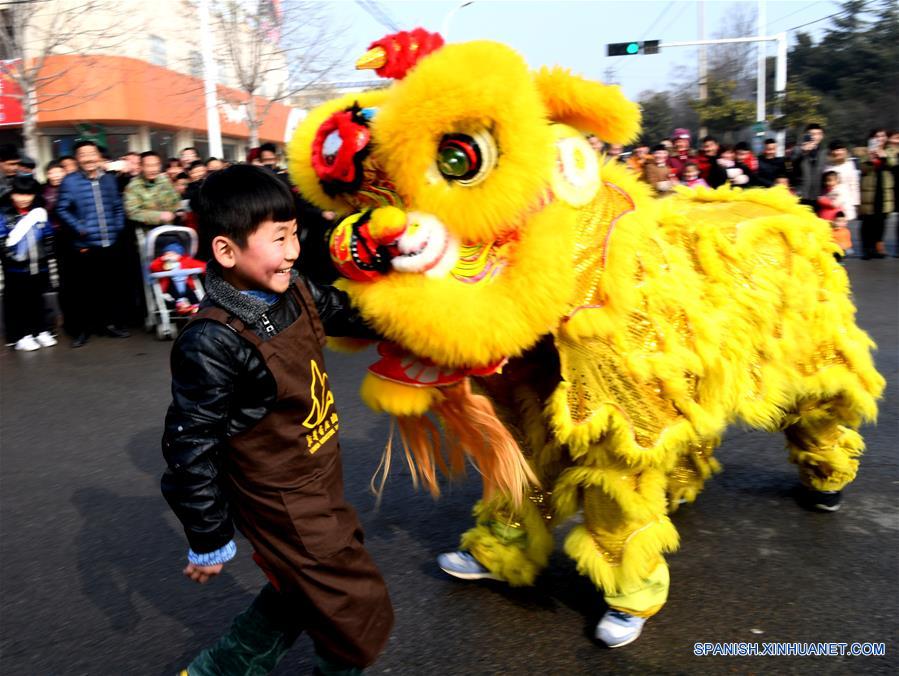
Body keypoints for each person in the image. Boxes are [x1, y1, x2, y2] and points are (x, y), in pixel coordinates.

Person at [161, 165, 393, 675]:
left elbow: (345, 312)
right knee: (352, 606)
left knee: (302, 587)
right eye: (279, 238)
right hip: (279, 497)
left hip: (316, 474)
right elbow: (188, 443)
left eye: (295, 235)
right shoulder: (211, 340)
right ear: (226, 252)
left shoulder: (296, 289)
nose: (293, 250)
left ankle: (216, 671)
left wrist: (419, 320)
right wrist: (208, 535)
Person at [55, 140, 129, 347]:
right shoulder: (69, 181)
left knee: (109, 288)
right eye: (83, 154)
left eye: (92, 153)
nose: (88, 158)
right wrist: (80, 227)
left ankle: (110, 325)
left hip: (110, 242)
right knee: (83, 291)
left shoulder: (109, 180)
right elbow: (61, 209)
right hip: (84, 244)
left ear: (99, 156)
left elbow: (117, 207)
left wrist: (117, 226)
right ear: (78, 159)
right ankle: (82, 330)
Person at [0, 175, 57, 351]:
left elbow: (48, 236)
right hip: (16, 269)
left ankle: (40, 330)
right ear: (11, 194)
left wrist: (47, 255)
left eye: (28, 194)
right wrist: (12, 258)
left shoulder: (40, 213)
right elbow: (1, 240)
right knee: (18, 302)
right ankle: (21, 335)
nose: (23, 198)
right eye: (19, 194)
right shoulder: (4, 215)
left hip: (39, 266)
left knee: (38, 300)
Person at [858, 129, 896, 259]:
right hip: (869, 192)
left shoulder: (890, 150)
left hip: (884, 192)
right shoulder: (865, 151)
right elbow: (862, 168)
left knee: (881, 222)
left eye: (882, 136)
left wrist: (884, 156)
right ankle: (866, 248)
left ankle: (876, 247)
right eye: (876, 136)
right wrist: (870, 158)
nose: (880, 138)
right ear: (871, 138)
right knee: (867, 222)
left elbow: (893, 163)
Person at [124, 151, 181, 230]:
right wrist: (159, 216)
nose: (153, 169)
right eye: (148, 166)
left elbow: (175, 200)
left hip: (170, 229)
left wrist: (179, 210)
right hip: (148, 233)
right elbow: (132, 212)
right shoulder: (133, 186)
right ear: (141, 167)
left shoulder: (165, 180)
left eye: (156, 165)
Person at [791, 123, 827, 206]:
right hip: (801, 195)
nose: (815, 137)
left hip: (817, 196)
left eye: (818, 134)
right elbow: (789, 165)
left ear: (822, 136)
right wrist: (803, 151)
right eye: (812, 134)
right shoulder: (797, 149)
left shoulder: (824, 152)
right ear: (806, 135)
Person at [824, 140, 859, 222]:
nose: (838, 152)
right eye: (835, 150)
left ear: (845, 151)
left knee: (844, 231)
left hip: (846, 203)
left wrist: (856, 203)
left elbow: (854, 185)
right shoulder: (827, 167)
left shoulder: (850, 165)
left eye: (841, 150)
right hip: (831, 203)